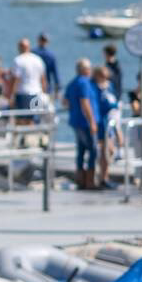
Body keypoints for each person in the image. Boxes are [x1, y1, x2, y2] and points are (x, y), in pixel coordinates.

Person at [62, 58, 102, 190]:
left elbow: (65, 102)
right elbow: (85, 102)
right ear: (85, 70)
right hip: (85, 123)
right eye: (89, 69)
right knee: (92, 150)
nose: (90, 71)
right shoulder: (84, 83)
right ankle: (89, 181)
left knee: (81, 151)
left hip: (76, 121)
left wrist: (74, 110)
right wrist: (92, 122)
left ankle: (80, 179)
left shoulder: (72, 83)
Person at [6, 38, 48, 120]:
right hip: (37, 94)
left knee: (21, 119)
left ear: (19, 47)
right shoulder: (38, 60)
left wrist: (10, 95)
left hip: (23, 94)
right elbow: (43, 79)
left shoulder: (18, 60)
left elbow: (15, 80)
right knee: (33, 119)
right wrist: (44, 93)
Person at [93, 66, 119, 186]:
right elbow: (98, 104)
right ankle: (102, 177)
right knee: (105, 150)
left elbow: (113, 100)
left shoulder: (109, 86)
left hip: (110, 120)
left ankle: (105, 176)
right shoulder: (94, 88)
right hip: (101, 121)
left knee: (109, 150)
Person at [33, 33, 60, 97]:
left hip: (33, 86)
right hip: (47, 87)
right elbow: (55, 74)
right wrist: (57, 90)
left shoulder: (33, 53)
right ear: (48, 42)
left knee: (32, 106)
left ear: (38, 40)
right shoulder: (51, 55)